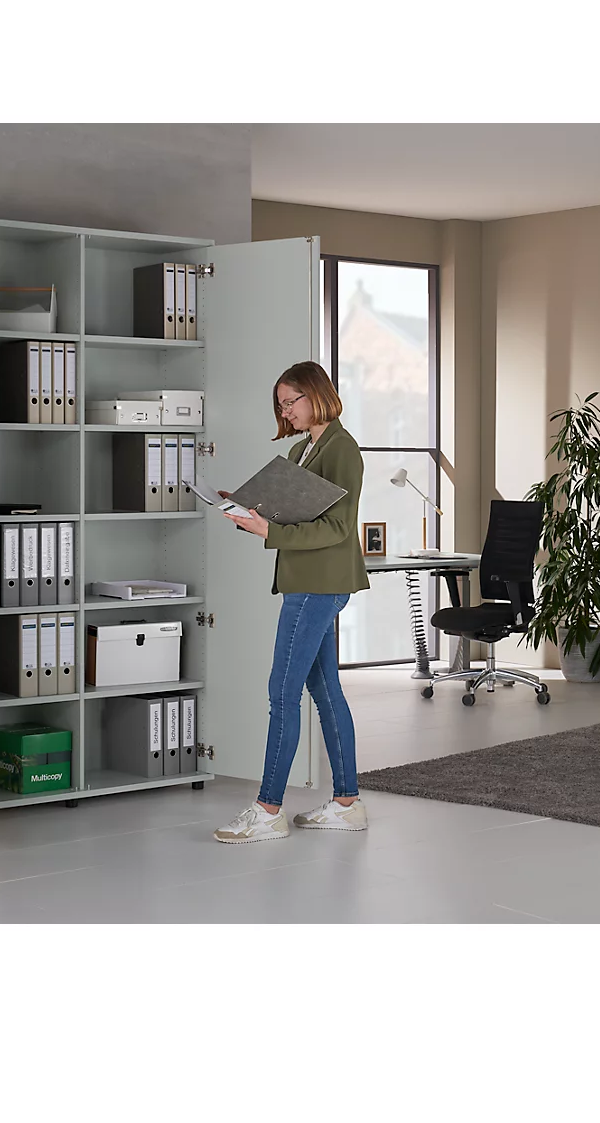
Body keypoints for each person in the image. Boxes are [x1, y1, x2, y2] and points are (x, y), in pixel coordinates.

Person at [213, 361, 371, 844]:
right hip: (304, 581)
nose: (285, 412)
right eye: (280, 405)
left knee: (282, 692)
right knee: (324, 690)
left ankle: (268, 810)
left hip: (319, 584)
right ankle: (346, 804)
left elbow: (338, 527)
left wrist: (271, 530)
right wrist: (255, 515)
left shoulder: (342, 449)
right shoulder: (303, 450)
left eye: (290, 402)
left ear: (316, 394)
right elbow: (298, 515)